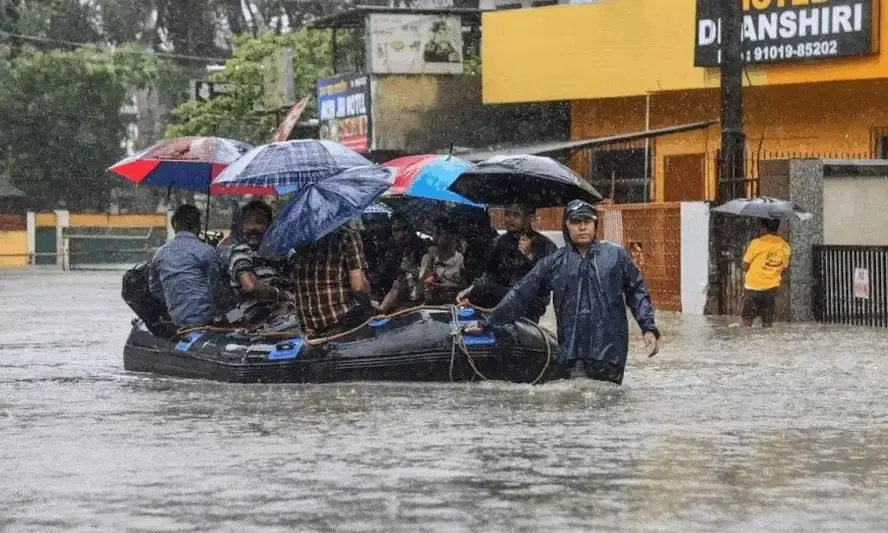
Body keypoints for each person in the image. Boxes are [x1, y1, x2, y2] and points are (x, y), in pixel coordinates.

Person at [466, 200, 660, 384]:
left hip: (611, 352)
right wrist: (489, 322)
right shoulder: (554, 262)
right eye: (576, 222)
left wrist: (648, 328)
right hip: (573, 353)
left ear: (595, 225)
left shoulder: (616, 257)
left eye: (587, 222)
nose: (582, 227)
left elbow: (637, 291)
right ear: (567, 226)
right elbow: (521, 294)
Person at [458, 204, 556, 323]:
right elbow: (489, 273)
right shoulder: (499, 242)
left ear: (530, 219)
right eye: (507, 214)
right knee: (478, 291)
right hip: (500, 299)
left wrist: (529, 259)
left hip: (529, 303)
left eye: (515, 215)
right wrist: (471, 289)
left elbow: (548, 283)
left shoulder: (544, 245)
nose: (509, 219)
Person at [288, 222, 373, 336]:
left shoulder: (301, 234)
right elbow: (358, 286)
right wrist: (370, 304)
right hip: (339, 321)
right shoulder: (348, 233)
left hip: (307, 326)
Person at [148, 204, 220, 328]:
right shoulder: (206, 251)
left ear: (174, 225)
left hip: (176, 317)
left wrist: (177, 301)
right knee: (240, 313)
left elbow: (155, 288)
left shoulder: (160, 253)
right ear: (197, 226)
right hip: (208, 318)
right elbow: (218, 288)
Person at [224, 200, 293, 325]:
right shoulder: (241, 251)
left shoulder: (282, 252)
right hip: (249, 313)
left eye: (259, 222)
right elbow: (250, 285)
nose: (252, 227)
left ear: (269, 226)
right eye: (247, 222)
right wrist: (283, 295)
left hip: (283, 311)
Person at [740, 219, 791, 328]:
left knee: (746, 321)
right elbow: (784, 268)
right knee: (767, 324)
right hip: (771, 290)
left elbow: (745, 265)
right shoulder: (784, 246)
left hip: (752, 287)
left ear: (763, 227)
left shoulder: (757, 243)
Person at [378, 214, 432, 313]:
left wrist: (413, 269)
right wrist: (381, 311)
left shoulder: (425, 249)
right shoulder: (397, 251)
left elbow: (433, 279)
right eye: (395, 230)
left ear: (411, 228)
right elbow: (396, 286)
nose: (401, 234)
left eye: (404, 229)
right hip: (406, 302)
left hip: (428, 303)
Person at [419, 220, 466, 305]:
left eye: (440, 233)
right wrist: (430, 260)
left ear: (451, 236)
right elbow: (421, 288)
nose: (435, 238)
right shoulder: (428, 257)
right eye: (434, 233)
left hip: (453, 305)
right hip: (431, 306)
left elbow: (464, 286)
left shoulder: (461, 259)